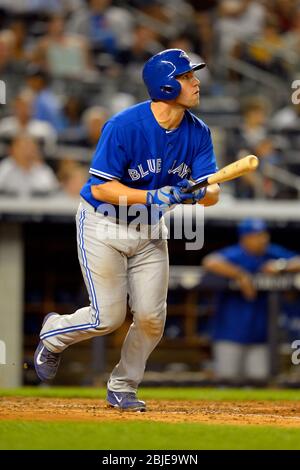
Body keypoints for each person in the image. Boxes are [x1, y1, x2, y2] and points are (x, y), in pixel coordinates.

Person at [34, 48, 220, 411]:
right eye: (186, 77)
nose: (195, 82)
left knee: (152, 318)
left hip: (149, 231)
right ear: (166, 86)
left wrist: (196, 195)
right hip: (103, 223)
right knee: (108, 317)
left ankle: (123, 386)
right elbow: (102, 187)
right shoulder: (124, 125)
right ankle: (54, 334)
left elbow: (212, 191)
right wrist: (153, 196)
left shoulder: (199, 132)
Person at [202, 218, 300, 384]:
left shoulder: (272, 253)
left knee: (260, 379)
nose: (262, 239)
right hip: (230, 333)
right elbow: (209, 262)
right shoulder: (235, 254)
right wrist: (240, 274)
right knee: (227, 378)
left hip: (262, 335)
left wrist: (280, 266)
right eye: (256, 235)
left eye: (263, 235)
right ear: (245, 238)